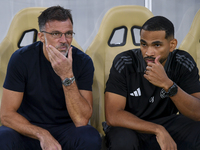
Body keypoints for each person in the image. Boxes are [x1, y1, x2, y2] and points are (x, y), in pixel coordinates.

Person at [0, 6, 101, 150]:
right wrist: (42, 134)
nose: (64, 40)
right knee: (3, 137)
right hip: (29, 129)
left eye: (68, 34)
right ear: (41, 36)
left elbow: (81, 120)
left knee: (90, 136)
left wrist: (67, 76)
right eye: (56, 34)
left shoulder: (83, 62)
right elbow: (6, 115)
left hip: (66, 129)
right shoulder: (21, 59)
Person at [104, 16, 200, 150]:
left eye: (157, 45)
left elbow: (197, 112)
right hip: (130, 126)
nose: (148, 52)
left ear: (172, 45)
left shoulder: (182, 62)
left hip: (167, 122)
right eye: (144, 44)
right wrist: (157, 129)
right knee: (123, 142)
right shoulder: (125, 62)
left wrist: (169, 85)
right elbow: (113, 115)